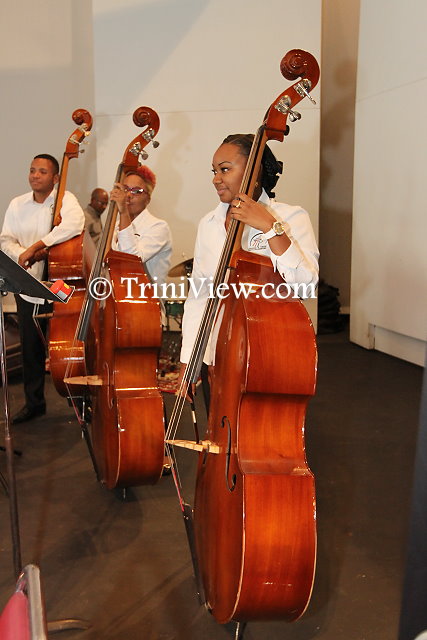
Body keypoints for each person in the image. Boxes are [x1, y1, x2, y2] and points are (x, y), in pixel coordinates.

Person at [178, 133, 319, 406]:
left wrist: (269, 227)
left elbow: (305, 285)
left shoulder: (291, 217)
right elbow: (200, 297)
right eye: (214, 171)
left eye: (225, 169)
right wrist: (189, 359)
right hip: (216, 354)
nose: (216, 179)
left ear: (254, 170)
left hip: (268, 353)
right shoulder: (208, 224)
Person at [0, 154, 85, 424]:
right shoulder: (17, 204)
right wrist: (23, 254)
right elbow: (5, 239)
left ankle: (80, 402)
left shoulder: (65, 200)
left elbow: (74, 225)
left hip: (59, 281)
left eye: (42, 172)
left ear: (56, 177)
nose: (35, 175)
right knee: (30, 347)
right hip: (27, 283)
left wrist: (38, 247)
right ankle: (34, 403)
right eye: (32, 170)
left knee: (70, 345)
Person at [109, 165, 172, 285]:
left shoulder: (158, 227)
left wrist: (123, 212)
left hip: (146, 295)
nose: (128, 195)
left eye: (137, 191)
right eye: (125, 189)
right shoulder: (115, 226)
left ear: (147, 199)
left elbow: (130, 259)